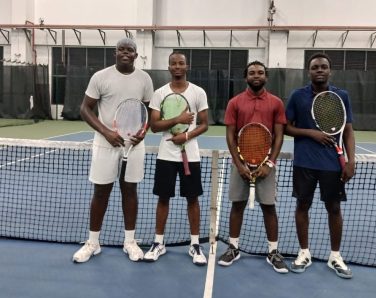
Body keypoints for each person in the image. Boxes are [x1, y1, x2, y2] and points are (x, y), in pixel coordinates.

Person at [72, 38, 154, 263]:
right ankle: (93, 243)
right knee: (101, 192)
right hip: (104, 143)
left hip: (133, 145)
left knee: (130, 191)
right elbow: (84, 109)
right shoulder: (100, 77)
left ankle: (129, 242)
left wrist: (143, 131)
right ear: (115, 53)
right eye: (121, 50)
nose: (125, 53)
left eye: (130, 50)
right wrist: (106, 132)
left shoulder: (144, 79)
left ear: (136, 55)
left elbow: (148, 112)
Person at [285, 52, 356, 278]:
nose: (319, 70)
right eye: (315, 67)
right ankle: (304, 252)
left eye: (323, 66)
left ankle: (335, 255)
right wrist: (311, 134)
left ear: (329, 71)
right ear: (309, 71)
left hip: (332, 166)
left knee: (334, 208)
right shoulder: (298, 96)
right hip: (304, 162)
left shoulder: (341, 96)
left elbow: (348, 131)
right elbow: (287, 127)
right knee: (302, 206)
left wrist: (351, 160)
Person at [217, 61, 288, 274]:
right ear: (245, 77)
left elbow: (279, 136)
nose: (256, 76)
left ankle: (273, 252)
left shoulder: (276, 103)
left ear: (266, 77)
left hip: (266, 164)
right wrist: (239, 165)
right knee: (237, 205)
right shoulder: (235, 102)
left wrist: (269, 163)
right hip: (240, 163)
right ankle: (233, 248)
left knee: (269, 207)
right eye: (251, 73)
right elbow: (230, 135)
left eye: (260, 73)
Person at [144, 51, 209, 265]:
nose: (178, 66)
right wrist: (178, 120)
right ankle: (158, 243)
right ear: (169, 67)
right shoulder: (159, 93)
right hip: (166, 154)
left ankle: (195, 244)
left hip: (190, 154)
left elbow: (204, 124)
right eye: (174, 63)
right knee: (163, 198)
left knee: (193, 199)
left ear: (187, 66)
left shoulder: (198, 92)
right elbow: (154, 126)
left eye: (181, 63)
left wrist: (186, 134)